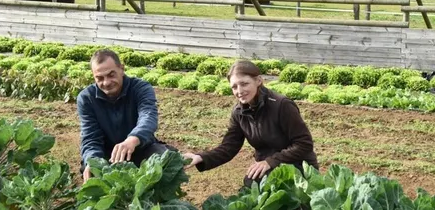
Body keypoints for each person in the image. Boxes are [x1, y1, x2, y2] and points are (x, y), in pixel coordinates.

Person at [183, 60, 319, 186]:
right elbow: (229, 146)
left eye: (244, 84)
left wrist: (270, 162)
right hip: (266, 167)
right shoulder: (239, 112)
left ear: (258, 80)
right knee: (250, 185)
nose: (239, 91)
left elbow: (304, 144)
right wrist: (201, 157)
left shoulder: (282, 105)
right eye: (234, 87)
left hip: (299, 166)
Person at [77, 49, 173, 182]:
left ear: (121, 69)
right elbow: (90, 137)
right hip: (109, 156)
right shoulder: (86, 98)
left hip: (140, 148)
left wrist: (132, 140)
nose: (106, 82)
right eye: (99, 78)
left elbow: (148, 116)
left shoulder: (141, 88)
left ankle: (158, 202)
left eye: (111, 75)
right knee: (92, 169)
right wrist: (92, 161)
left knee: (167, 160)